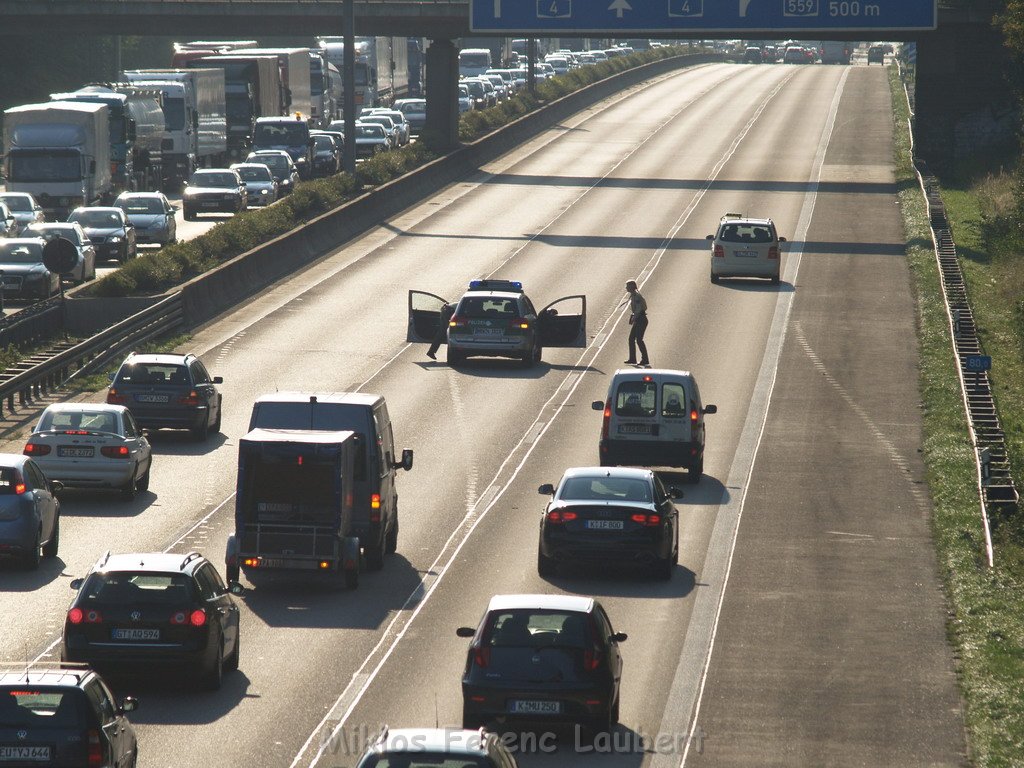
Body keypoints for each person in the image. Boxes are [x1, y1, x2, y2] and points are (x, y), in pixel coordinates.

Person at [624, 279, 649, 366]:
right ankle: (632, 358)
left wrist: (634, 317)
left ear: (631, 287)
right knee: (631, 338)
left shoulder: (637, 296)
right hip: (638, 319)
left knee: (639, 340)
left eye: (627, 286)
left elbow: (639, 309)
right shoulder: (633, 295)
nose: (626, 287)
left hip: (641, 319)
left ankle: (645, 359)